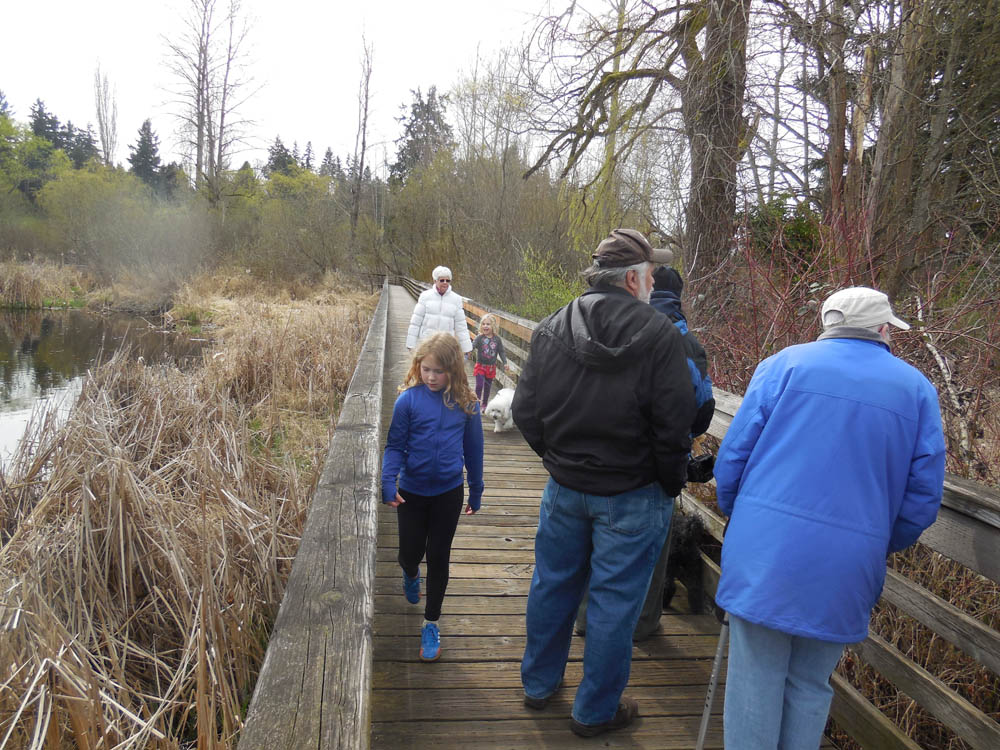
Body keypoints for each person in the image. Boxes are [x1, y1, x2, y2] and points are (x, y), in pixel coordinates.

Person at [713, 286, 946, 750]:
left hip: (764, 550)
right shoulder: (917, 389)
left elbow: (732, 459)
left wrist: (744, 518)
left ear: (828, 323)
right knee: (810, 682)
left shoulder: (782, 365)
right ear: (882, 329)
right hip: (847, 561)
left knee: (755, 679)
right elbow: (922, 496)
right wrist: (875, 540)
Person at [512, 228, 696, 737]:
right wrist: (667, 482)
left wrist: (558, 460)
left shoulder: (553, 327)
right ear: (634, 278)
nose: (654, 279)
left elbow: (526, 410)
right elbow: (674, 423)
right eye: (652, 272)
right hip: (634, 496)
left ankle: (538, 685)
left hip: (566, 489)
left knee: (552, 586)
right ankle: (594, 712)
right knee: (615, 606)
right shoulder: (662, 335)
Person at [575, 265, 717, 640]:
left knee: (598, 541)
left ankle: (587, 618)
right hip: (658, 465)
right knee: (653, 548)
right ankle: (643, 622)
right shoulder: (686, 342)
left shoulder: (616, 324)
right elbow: (703, 406)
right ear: (678, 295)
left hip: (603, 456)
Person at [381, 332, 485, 662]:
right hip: (411, 492)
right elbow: (395, 446)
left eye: (438, 371)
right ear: (418, 366)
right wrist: (387, 480)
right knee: (409, 553)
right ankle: (410, 574)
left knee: (439, 556)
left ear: (453, 370)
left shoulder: (467, 404)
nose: (431, 377)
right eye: (425, 369)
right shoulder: (408, 401)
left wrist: (477, 488)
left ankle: (431, 622)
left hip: (448, 493)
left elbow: (474, 450)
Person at [406, 266, 473, 356]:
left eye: (447, 280)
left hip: (446, 344)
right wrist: (411, 344)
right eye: (442, 280)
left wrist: (466, 347)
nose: (445, 283)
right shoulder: (425, 296)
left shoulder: (456, 299)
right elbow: (415, 322)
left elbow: (461, 326)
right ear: (435, 281)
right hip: (427, 341)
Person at [471, 313, 510, 406]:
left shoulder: (497, 339)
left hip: (491, 368)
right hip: (480, 366)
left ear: (493, 326)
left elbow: (501, 352)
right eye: (483, 324)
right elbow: (472, 346)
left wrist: (505, 362)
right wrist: (468, 351)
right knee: (479, 386)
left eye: (488, 324)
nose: (485, 326)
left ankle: (484, 404)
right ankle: (477, 404)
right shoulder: (479, 338)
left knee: (488, 387)